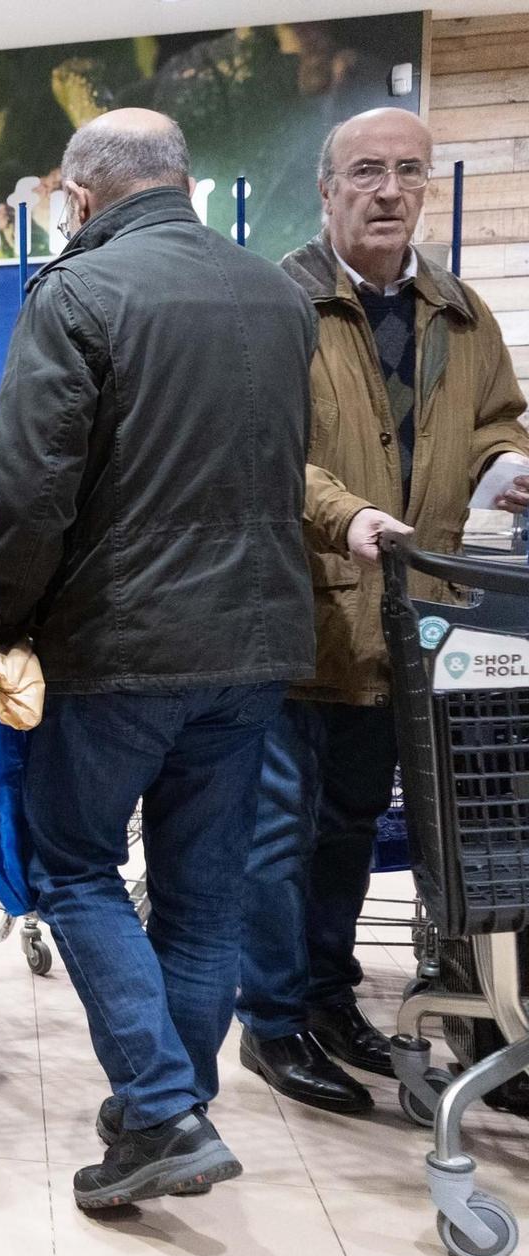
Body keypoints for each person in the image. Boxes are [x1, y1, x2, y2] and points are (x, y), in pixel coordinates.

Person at [0, 109, 317, 1209]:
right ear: (182, 181)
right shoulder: (275, 293)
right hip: (256, 641)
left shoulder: (76, 292)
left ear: (78, 198)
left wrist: (2, 618)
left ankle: (162, 1107)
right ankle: (162, 1115)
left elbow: (29, 493)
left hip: (120, 646)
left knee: (71, 862)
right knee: (199, 893)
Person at [235, 107, 529, 1115]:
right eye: (365, 171)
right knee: (277, 833)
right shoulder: (275, 304)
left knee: (350, 828)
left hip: (417, 630)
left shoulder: (459, 313)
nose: (387, 190)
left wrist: (504, 464)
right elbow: (259, 447)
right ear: (324, 190)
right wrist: (344, 513)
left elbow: (496, 416)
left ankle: (326, 998)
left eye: (407, 171)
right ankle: (269, 1023)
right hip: (299, 618)